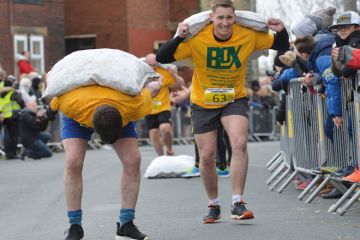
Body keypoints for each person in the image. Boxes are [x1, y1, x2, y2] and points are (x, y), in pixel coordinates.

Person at [156, 0, 289, 223]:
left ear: (234, 18)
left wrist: (282, 30)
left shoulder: (246, 35)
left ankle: (237, 202)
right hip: (203, 101)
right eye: (220, 18)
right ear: (212, 18)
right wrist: (179, 36)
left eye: (229, 17)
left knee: (239, 143)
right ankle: (214, 204)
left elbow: (281, 46)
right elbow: (163, 57)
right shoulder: (199, 38)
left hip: (233, 97)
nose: (225, 23)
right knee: (207, 156)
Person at [50, 78, 162, 240]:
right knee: (72, 162)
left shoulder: (132, 105)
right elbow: (53, 92)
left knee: (133, 160)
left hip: (117, 104)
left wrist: (157, 83)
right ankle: (75, 226)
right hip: (77, 111)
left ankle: (125, 225)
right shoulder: (69, 103)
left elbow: (151, 89)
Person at [144, 53, 184, 156]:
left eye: (154, 65)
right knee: (153, 133)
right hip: (149, 108)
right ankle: (161, 157)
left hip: (163, 106)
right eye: (150, 65)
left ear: (157, 63)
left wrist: (173, 74)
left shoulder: (163, 73)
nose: (152, 67)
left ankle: (170, 149)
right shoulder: (142, 74)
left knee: (165, 129)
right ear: (145, 63)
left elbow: (181, 83)